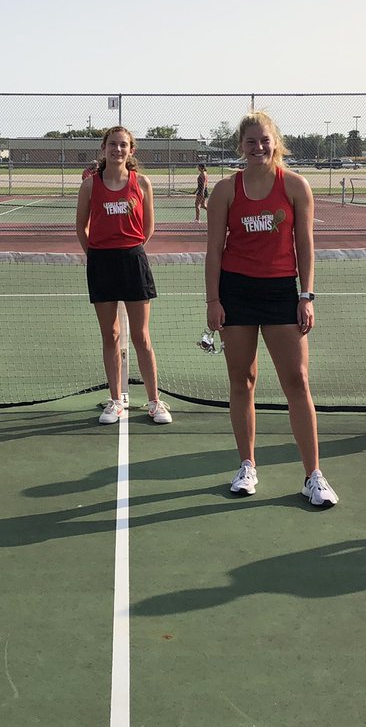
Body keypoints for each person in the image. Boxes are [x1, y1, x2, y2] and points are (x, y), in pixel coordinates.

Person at [205, 111, 338, 506]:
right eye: (251, 141)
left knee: (297, 381)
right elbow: (214, 251)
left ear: (275, 142)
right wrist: (213, 301)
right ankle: (247, 465)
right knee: (242, 380)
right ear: (240, 146)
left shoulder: (295, 186)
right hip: (236, 293)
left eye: (265, 140)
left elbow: (305, 245)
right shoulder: (225, 191)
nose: (258, 147)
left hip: (282, 293)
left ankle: (313, 475)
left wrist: (306, 295)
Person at [75, 127, 172, 426]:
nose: (118, 149)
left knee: (141, 336)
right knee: (111, 335)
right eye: (113, 144)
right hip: (101, 263)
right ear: (103, 148)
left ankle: (154, 401)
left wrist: (130, 250)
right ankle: (116, 401)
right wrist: (97, 255)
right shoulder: (90, 186)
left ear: (131, 150)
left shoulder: (141, 183)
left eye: (123, 145)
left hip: (133, 261)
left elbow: (148, 227)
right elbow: (81, 228)